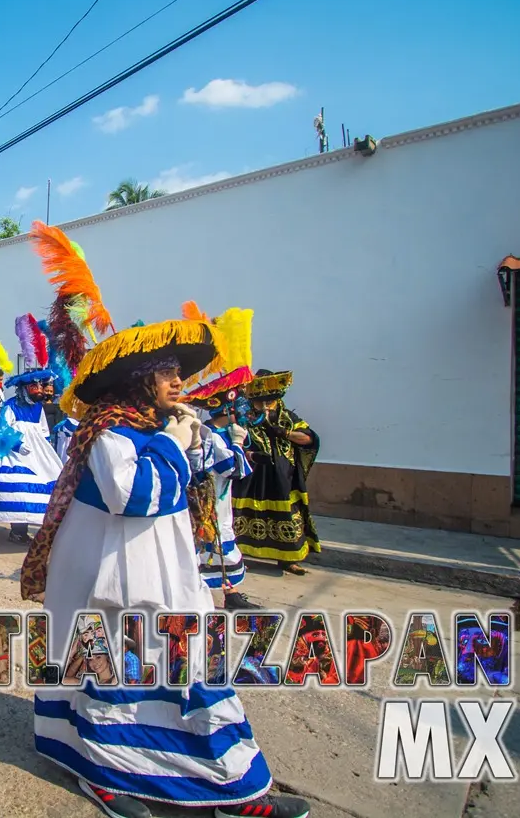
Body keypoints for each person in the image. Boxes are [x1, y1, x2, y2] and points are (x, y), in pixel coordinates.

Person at [19, 316, 310, 818]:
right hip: (115, 581)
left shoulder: (156, 426)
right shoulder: (109, 432)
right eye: (166, 372)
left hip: (164, 572)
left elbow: (191, 484)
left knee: (192, 669)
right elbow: (134, 495)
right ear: (138, 381)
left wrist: (193, 441)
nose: (179, 382)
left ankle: (233, 788)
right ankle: (105, 777)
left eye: (179, 371)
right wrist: (175, 442)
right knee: (116, 679)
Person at [232, 370, 321, 575]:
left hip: (282, 477)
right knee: (243, 513)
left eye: (270, 401)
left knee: (287, 515)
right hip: (251, 476)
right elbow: (231, 442)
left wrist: (283, 432)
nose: (265, 405)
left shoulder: (287, 418)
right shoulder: (242, 417)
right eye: (261, 401)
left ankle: (288, 559)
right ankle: (239, 558)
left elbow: (309, 439)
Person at [183, 377, 257, 609]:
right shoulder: (210, 436)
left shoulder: (212, 433)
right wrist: (237, 444)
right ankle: (219, 596)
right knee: (213, 544)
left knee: (215, 543)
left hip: (214, 499)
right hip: (210, 501)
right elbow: (235, 468)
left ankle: (229, 594)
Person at [0, 371, 63, 544]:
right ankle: (18, 531)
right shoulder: (11, 405)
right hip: (13, 453)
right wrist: (17, 445)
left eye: (40, 386)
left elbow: (44, 430)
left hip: (36, 452)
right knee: (19, 490)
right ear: (24, 389)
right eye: (34, 386)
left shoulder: (38, 408)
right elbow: (2, 429)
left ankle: (35, 528)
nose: (39, 390)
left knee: (45, 484)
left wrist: (47, 449)